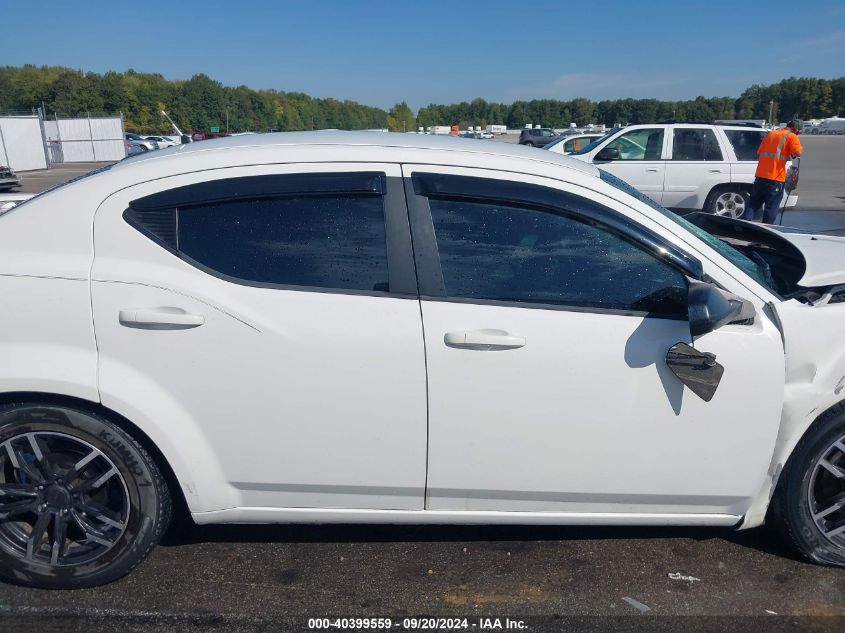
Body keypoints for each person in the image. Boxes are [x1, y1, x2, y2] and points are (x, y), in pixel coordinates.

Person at [742, 120, 802, 224]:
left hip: (760, 176)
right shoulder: (791, 136)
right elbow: (798, 152)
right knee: (771, 207)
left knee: (753, 203)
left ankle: (743, 224)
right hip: (775, 179)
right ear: (796, 130)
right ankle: (767, 230)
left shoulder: (771, 133)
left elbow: (760, 151)